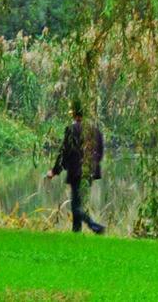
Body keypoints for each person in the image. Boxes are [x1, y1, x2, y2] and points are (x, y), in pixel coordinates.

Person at [47, 99, 105, 234]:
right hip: (89, 173)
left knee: (76, 206)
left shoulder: (71, 129)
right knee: (78, 203)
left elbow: (64, 152)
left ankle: (95, 226)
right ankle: (76, 233)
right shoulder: (95, 130)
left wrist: (55, 171)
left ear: (74, 115)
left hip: (76, 172)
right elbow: (100, 153)